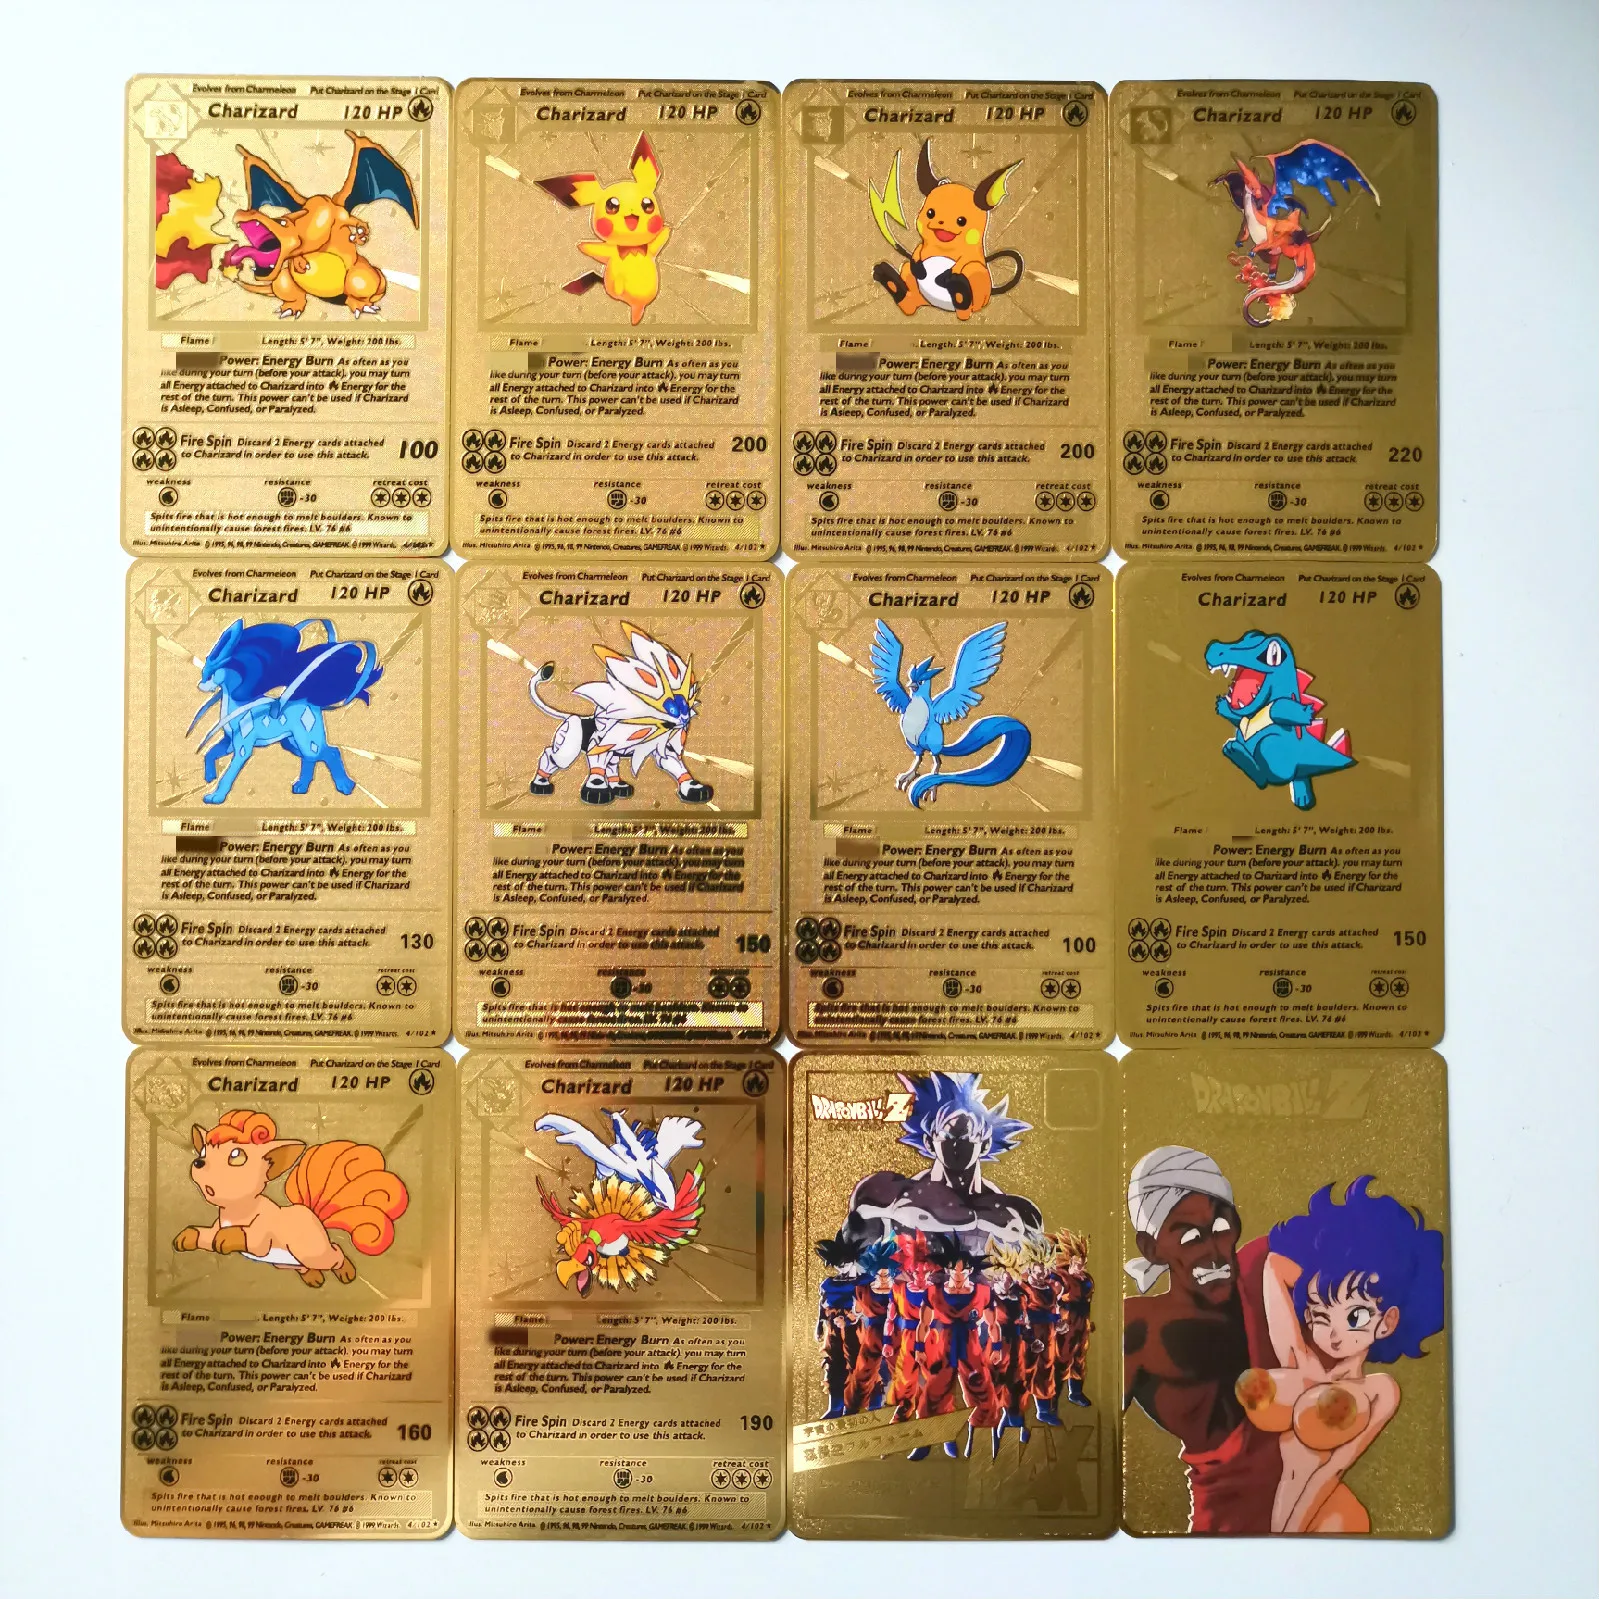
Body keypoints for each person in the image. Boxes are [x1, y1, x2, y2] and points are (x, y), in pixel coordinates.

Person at [1236, 1177, 1446, 1533]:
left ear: (1388, 1321)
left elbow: (1331, 1470)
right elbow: (1274, 1265)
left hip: (1332, 1516)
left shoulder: (1378, 1390)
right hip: (1288, 1515)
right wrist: (1322, 1281)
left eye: (1355, 1317)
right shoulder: (1298, 1359)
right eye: (1320, 1315)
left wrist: (1290, 1532)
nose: (1333, 1334)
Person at [1122, 1146, 1282, 1533]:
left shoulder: (1266, 1281)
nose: (1214, 1252)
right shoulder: (1137, 1327)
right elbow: (1090, 1427)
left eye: (1222, 1230)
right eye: (1191, 1238)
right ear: (1151, 1249)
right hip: (1220, 1521)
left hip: (1308, 1494)